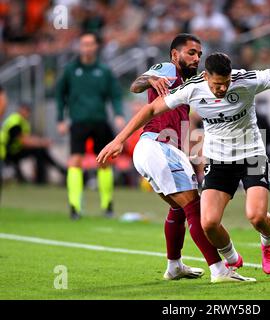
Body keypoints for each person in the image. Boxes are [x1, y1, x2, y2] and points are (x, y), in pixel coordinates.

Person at [97, 52, 270, 280]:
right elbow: (150, 110)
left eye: (225, 83)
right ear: (206, 78)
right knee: (209, 223)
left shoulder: (248, 80)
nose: (221, 90)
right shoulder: (193, 88)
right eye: (216, 85)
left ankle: (268, 241)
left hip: (251, 155)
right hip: (218, 160)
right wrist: (119, 140)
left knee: (256, 217)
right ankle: (231, 259)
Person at [128, 34, 250, 283]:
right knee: (194, 206)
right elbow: (136, 85)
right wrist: (151, 78)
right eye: (191, 53)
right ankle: (219, 270)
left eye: (199, 54)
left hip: (161, 149)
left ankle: (174, 266)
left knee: (179, 208)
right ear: (175, 54)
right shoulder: (168, 68)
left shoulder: (191, 83)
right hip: (157, 146)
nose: (196, 58)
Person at [56, 32, 125, 220]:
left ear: (96, 47)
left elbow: (115, 94)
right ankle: (74, 207)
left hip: (99, 120)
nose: (87, 47)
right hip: (78, 121)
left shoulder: (104, 70)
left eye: (90, 44)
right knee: (75, 161)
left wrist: (118, 114)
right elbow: (60, 94)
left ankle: (107, 204)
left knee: (104, 162)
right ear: (80, 46)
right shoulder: (70, 70)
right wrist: (60, 119)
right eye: (83, 44)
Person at [0, 102, 66, 184]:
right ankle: (44, 178)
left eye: (28, 111)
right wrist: (41, 142)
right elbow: (24, 141)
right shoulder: (15, 121)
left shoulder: (23, 122)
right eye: (26, 110)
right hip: (6, 153)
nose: (28, 113)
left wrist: (41, 142)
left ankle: (51, 175)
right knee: (39, 150)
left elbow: (27, 138)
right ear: (21, 110)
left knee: (40, 151)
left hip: (15, 151)